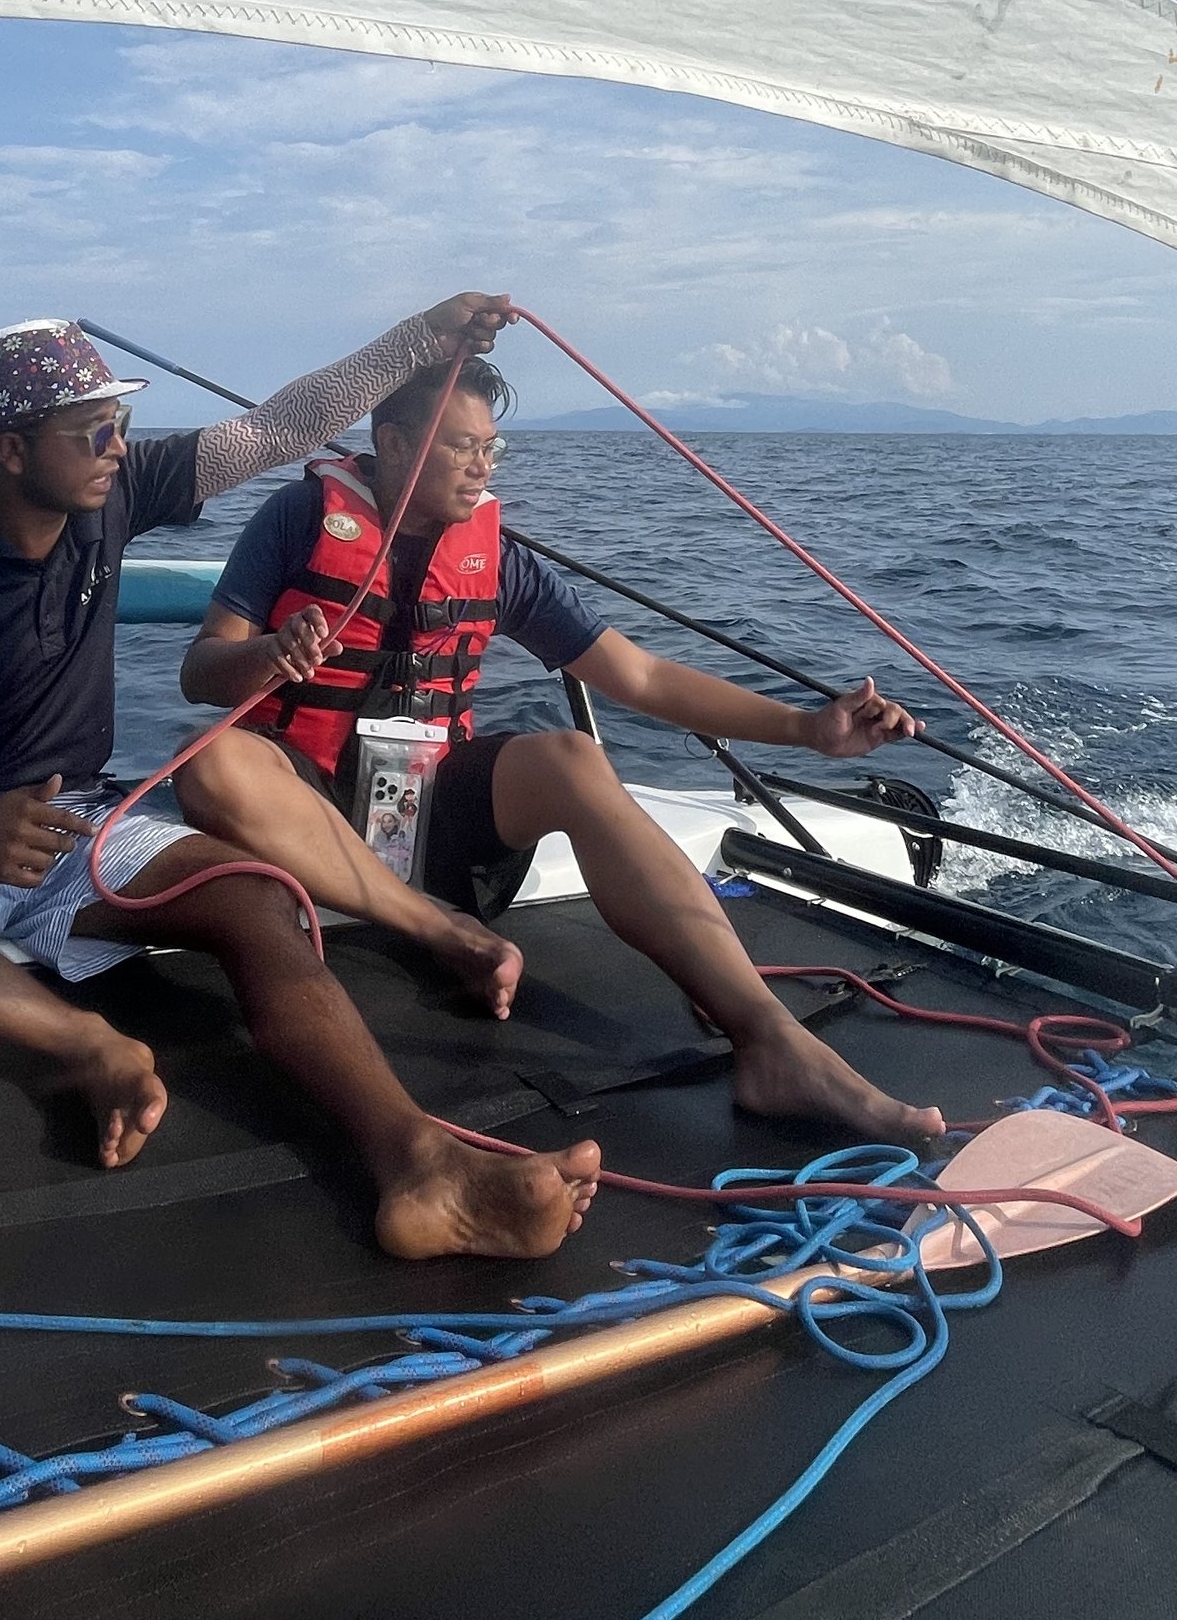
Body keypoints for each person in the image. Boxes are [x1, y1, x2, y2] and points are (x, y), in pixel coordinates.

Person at [0, 304, 603, 1261]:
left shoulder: (112, 495)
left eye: (119, 422)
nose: (118, 445)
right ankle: (84, 1044)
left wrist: (423, 337)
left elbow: (279, 427)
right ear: (12, 449)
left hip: (77, 826)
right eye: (92, 431)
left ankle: (420, 1165)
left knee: (250, 895)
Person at [174, 349, 945, 1148]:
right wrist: (268, 653)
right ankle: (440, 930)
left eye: (491, 447)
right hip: (310, 808)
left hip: (430, 819)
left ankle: (772, 1041)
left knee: (572, 757)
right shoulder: (299, 519)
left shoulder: (497, 557)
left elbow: (639, 675)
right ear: (394, 442)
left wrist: (809, 728)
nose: (483, 466)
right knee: (212, 760)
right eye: (462, 446)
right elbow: (202, 672)